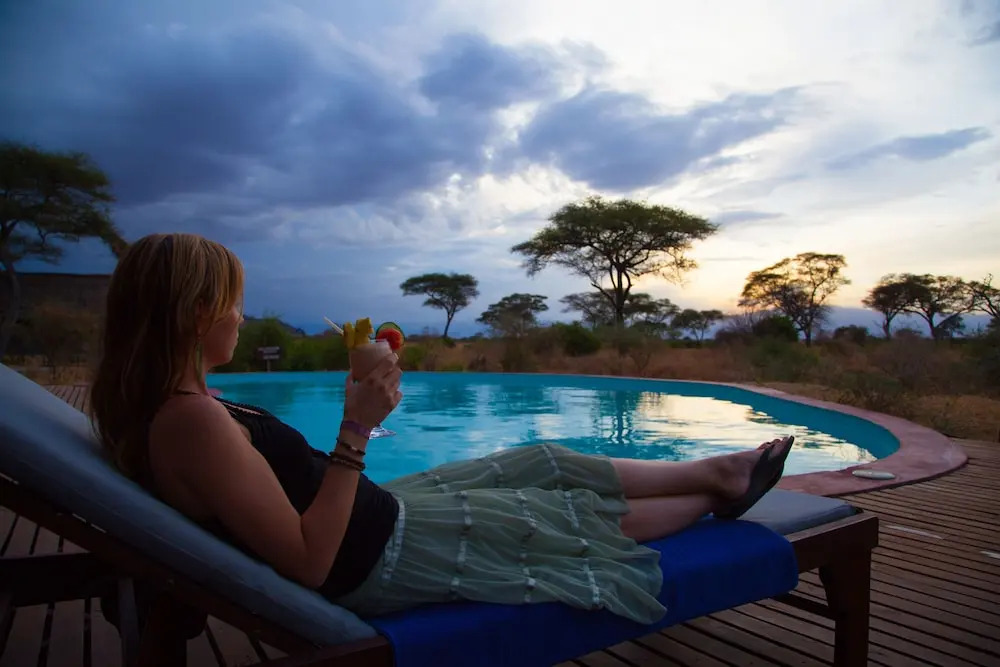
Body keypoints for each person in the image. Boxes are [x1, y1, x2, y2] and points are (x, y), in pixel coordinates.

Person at [88, 232, 794, 625]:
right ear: (197, 312)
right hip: (379, 556)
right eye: (233, 303)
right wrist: (356, 428)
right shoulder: (190, 421)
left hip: (379, 514)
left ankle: (715, 471)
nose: (241, 317)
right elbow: (309, 562)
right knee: (551, 515)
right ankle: (715, 497)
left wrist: (356, 417)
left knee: (542, 458)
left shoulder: (188, 405)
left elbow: (285, 492)